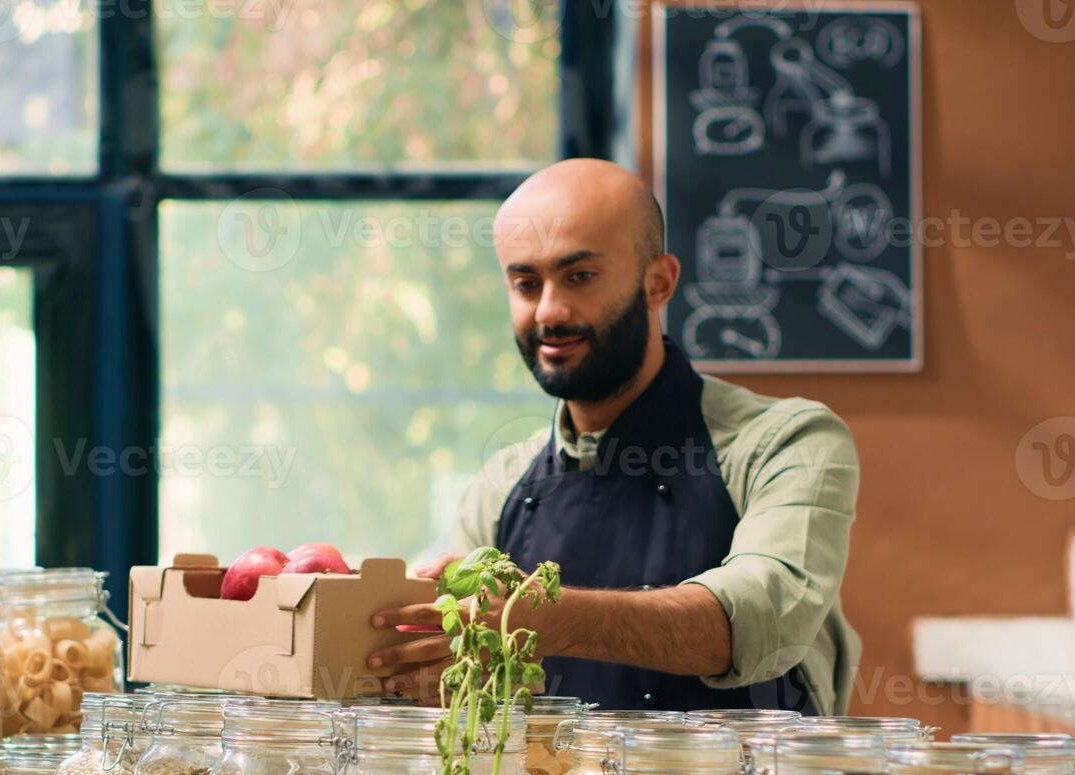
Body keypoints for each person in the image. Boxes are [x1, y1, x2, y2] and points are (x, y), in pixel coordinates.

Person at [368, 158, 861, 715]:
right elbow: (436, 647)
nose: (549, 311)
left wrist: (542, 619)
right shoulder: (502, 481)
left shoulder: (786, 440)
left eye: (579, 277)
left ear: (659, 283)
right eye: (526, 283)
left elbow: (765, 619)